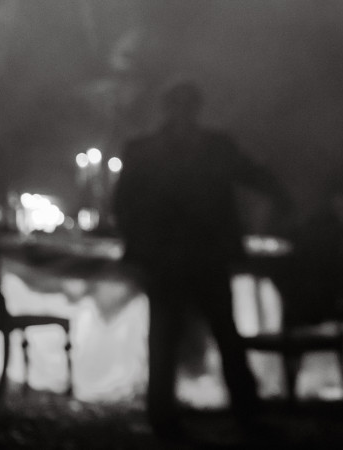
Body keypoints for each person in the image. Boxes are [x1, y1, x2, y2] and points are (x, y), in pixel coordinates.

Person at [112, 80, 292, 439]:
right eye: (180, 106)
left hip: (196, 258)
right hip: (178, 260)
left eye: (187, 106)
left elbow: (122, 205)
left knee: (212, 337)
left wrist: (281, 197)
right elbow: (124, 204)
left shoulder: (195, 148)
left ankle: (216, 415)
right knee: (187, 338)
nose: (183, 112)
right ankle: (174, 417)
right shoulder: (161, 150)